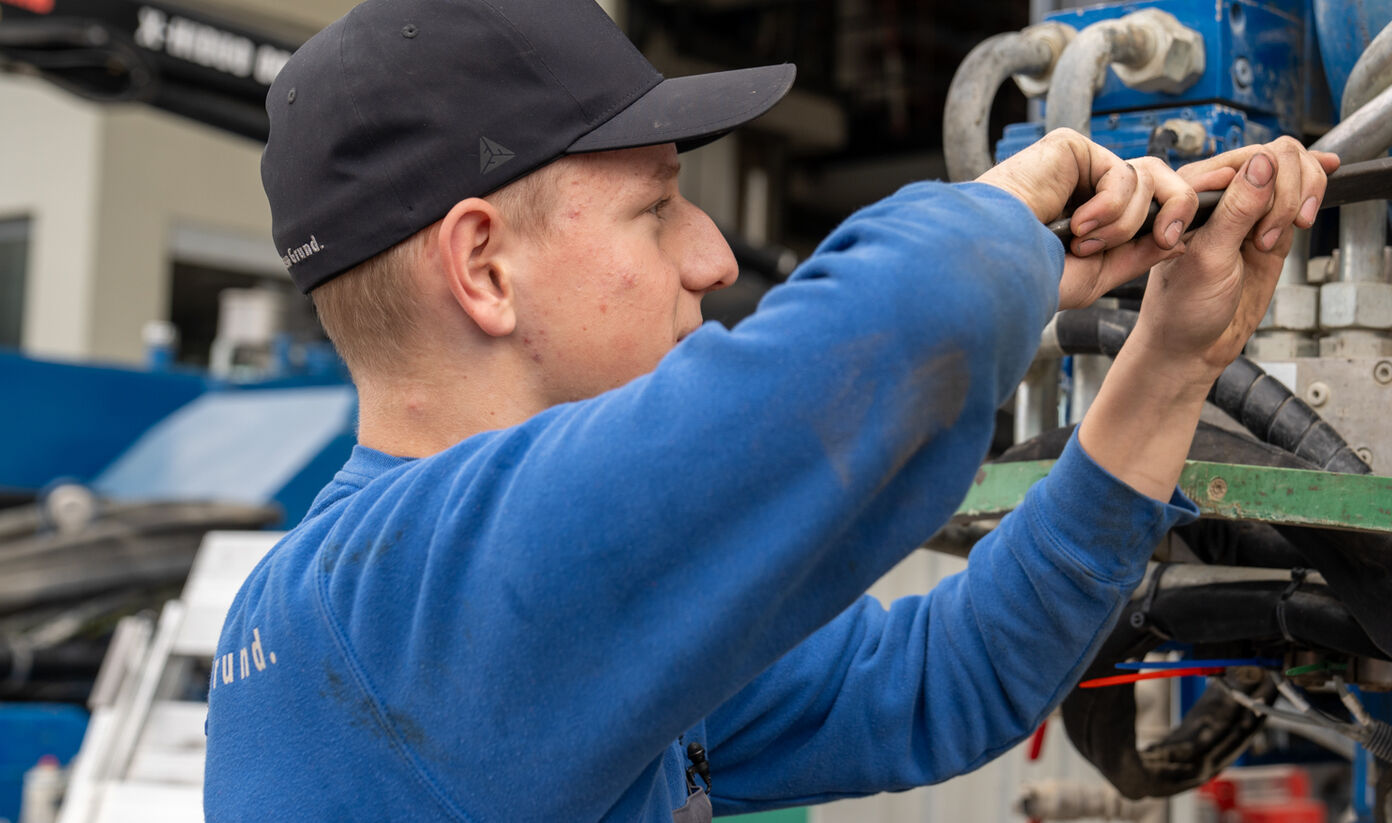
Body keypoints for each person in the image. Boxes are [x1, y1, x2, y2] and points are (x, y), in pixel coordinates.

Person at [201, 0, 1333, 819]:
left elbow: (941, 676)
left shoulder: (507, 618)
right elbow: (926, 312)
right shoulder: (407, 601)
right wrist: (1006, 212)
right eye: (656, 209)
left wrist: (1174, 358)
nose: (712, 258)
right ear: (485, 267)